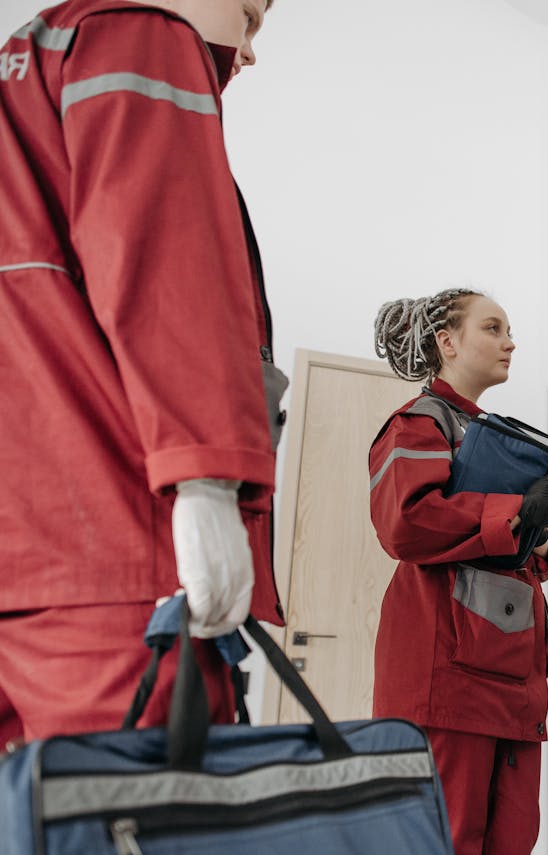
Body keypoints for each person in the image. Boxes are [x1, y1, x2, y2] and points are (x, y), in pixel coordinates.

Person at [0, 0, 282, 748]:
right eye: (249, 17)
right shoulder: (141, 35)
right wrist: (209, 480)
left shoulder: (23, 66)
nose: (250, 51)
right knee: (141, 812)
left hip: (22, 555)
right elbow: (166, 271)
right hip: (109, 554)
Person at [370, 290, 548, 855]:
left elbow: (509, 546)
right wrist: (513, 514)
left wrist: (541, 530)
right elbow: (405, 524)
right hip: (448, 681)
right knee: (446, 841)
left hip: (510, 683)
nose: (510, 342)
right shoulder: (416, 424)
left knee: (511, 841)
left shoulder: (494, 434)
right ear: (448, 342)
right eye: (493, 327)